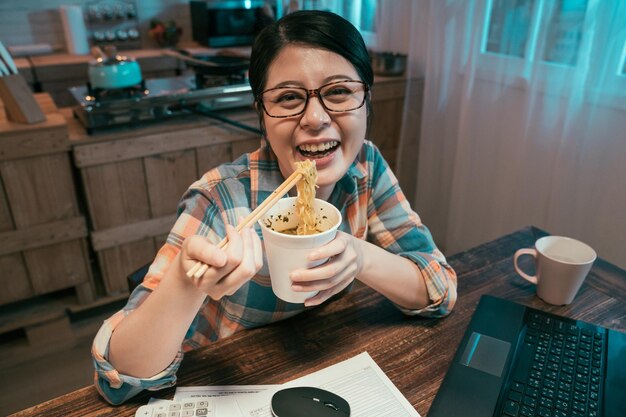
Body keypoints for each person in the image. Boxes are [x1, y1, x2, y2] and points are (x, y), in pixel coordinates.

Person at [92, 10, 457, 405]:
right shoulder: (223, 198)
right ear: (261, 115)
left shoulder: (365, 166)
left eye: (338, 91)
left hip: (328, 373)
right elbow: (119, 377)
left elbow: (440, 287)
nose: (315, 119)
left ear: (366, 100)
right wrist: (186, 282)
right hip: (230, 389)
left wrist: (360, 256)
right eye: (288, 98)